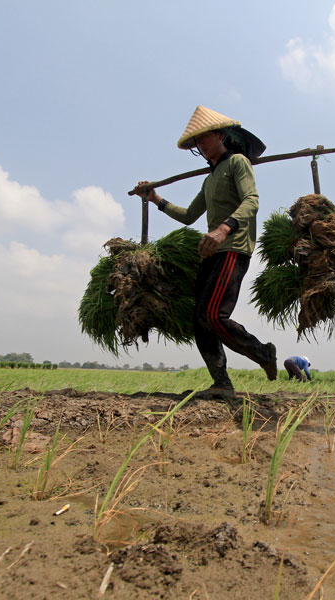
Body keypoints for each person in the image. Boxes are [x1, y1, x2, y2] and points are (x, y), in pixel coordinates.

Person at [134, 105, 277, 400]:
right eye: (196, 142)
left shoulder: (238, 162)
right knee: (199, 318)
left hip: (233, 248)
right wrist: (155, 198)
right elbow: (189, 215)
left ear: (220, 135)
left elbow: (251, 201)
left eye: (203, 138)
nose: (200, 145)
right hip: (211, 254)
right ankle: (221, 383)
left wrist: (224, 228)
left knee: (214, 314)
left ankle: (263, 352)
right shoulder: (210, 179)